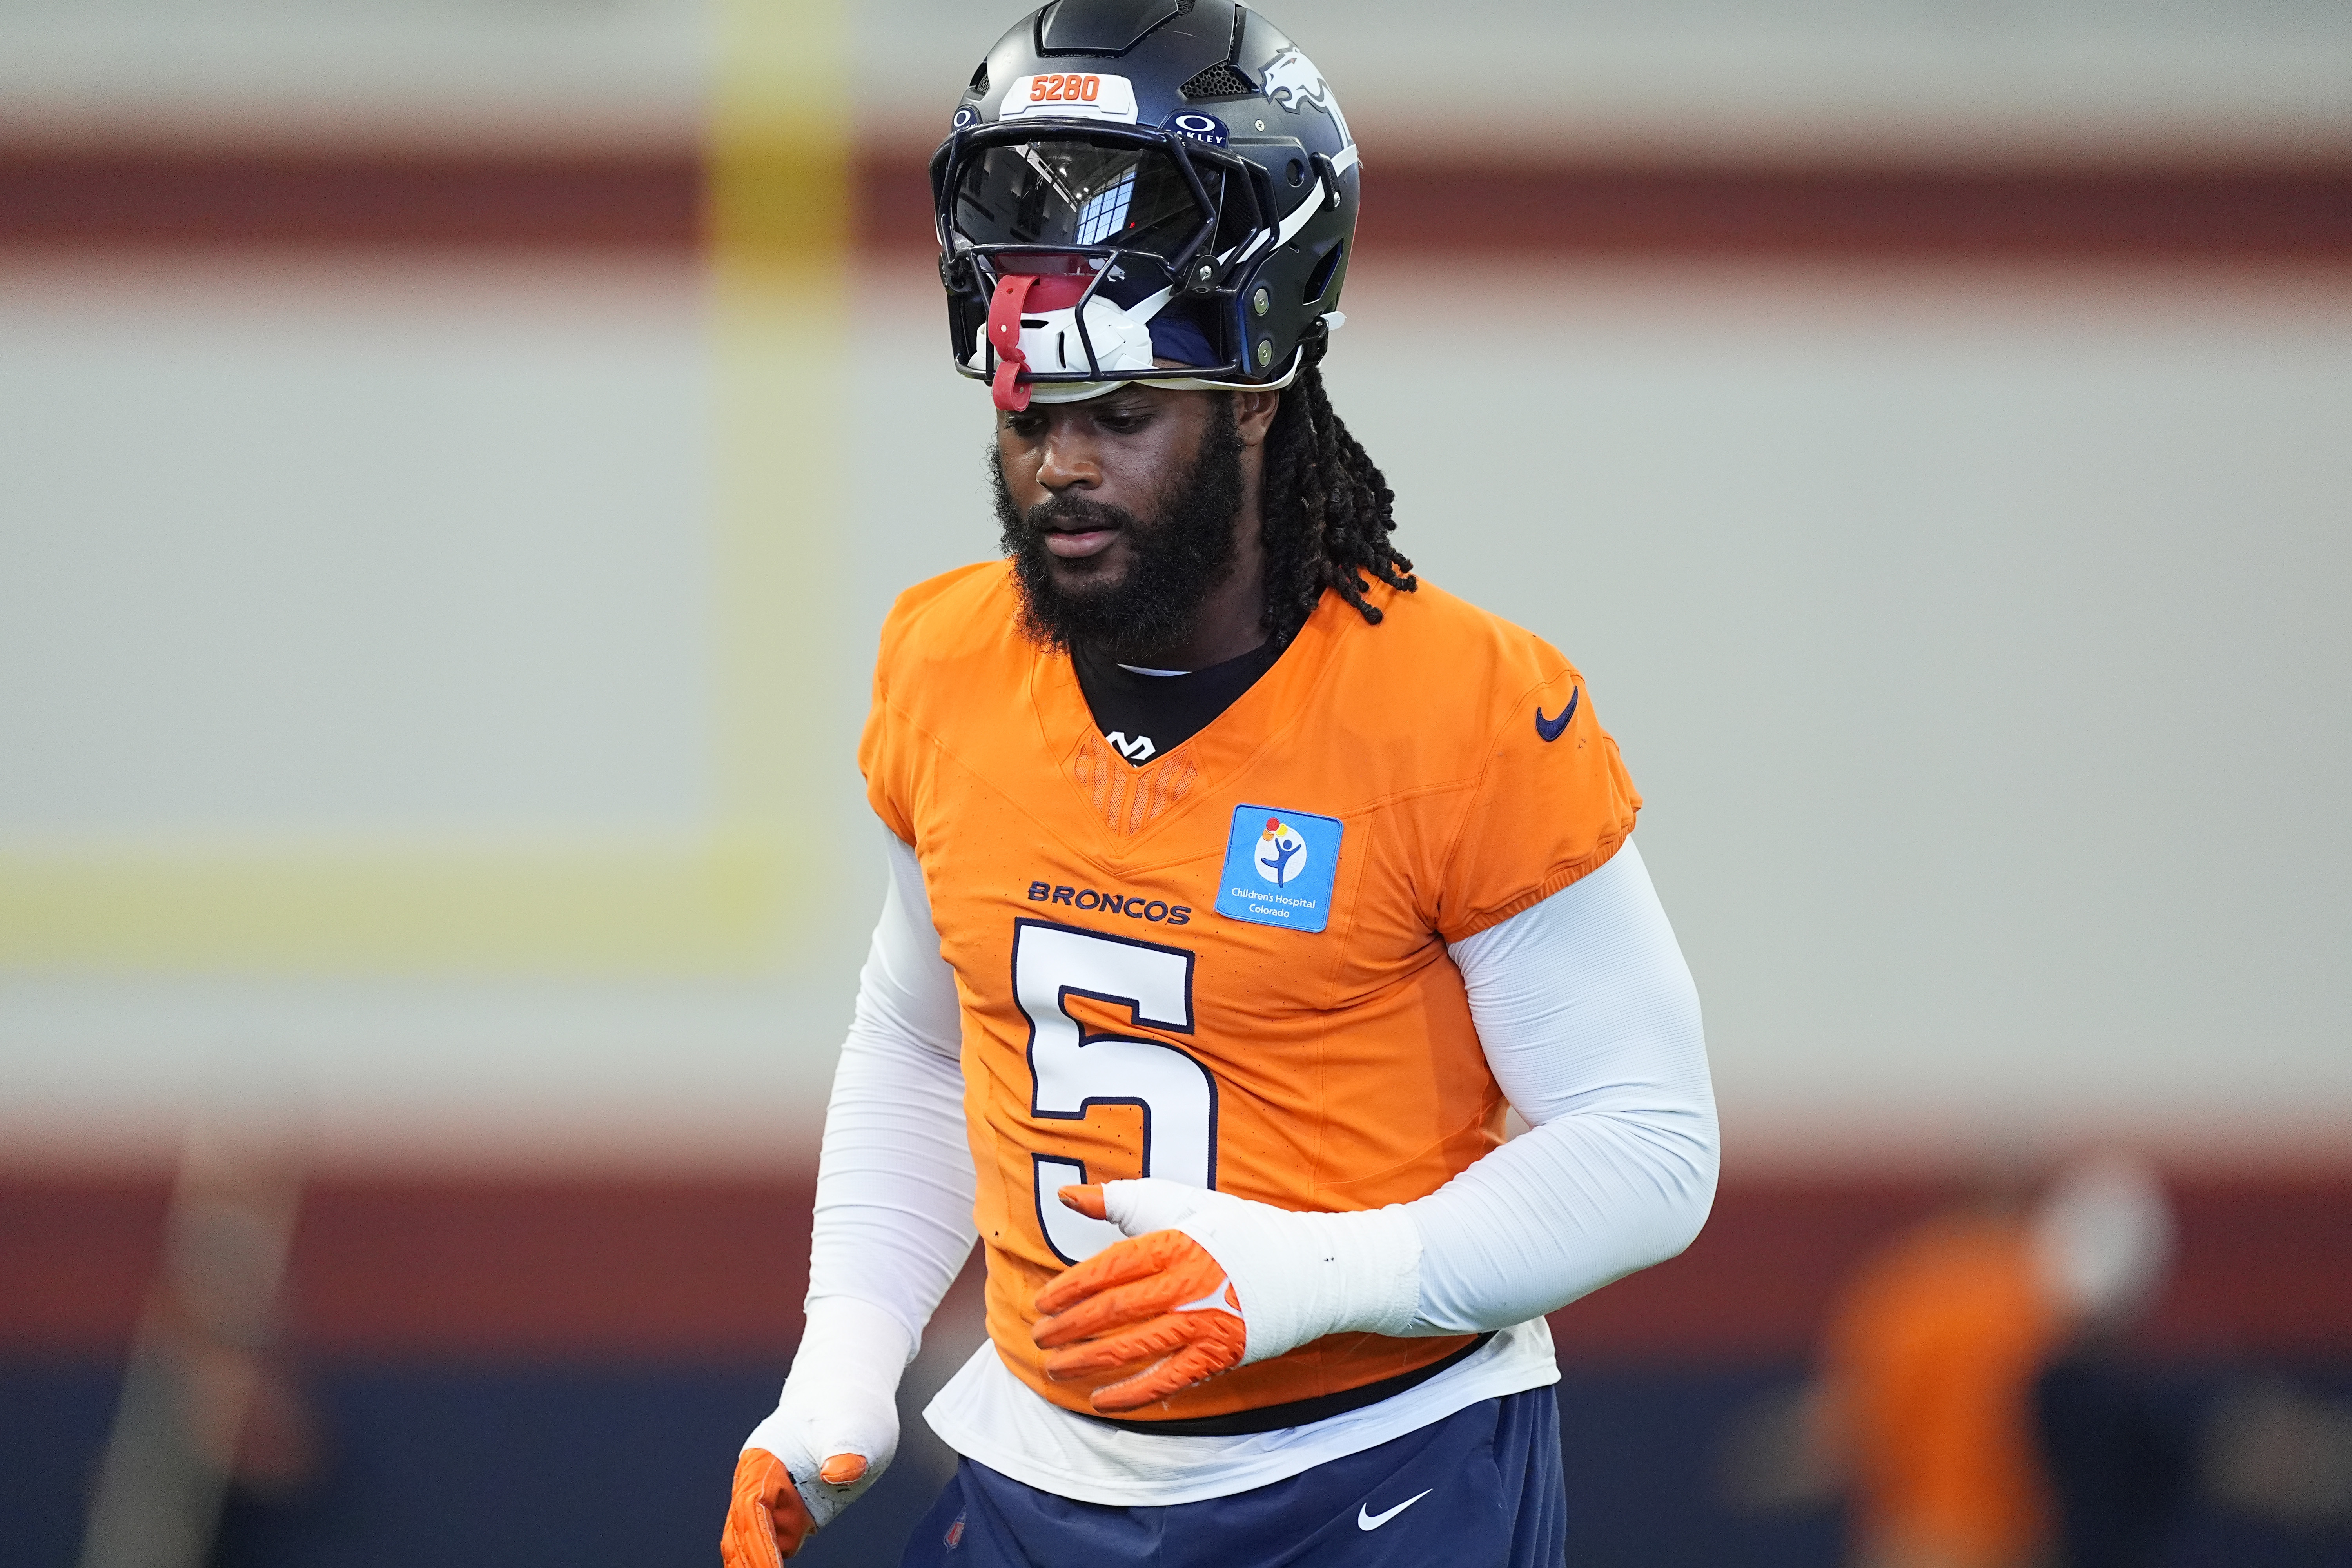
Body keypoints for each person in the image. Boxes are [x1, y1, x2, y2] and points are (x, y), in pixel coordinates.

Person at [720, 4, 1719, 1562]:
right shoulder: (946, 658)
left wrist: (1316, 1278)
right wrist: (841, 1366)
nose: (1061, 466)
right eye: (1034, 414)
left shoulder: (1459, 706)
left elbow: (1649, 1141)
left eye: (1122, 415)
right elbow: (928, 1041)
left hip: (1376, 1471)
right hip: (1037, 1470)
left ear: (1256, 396)